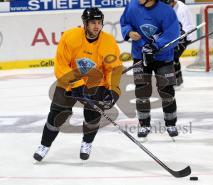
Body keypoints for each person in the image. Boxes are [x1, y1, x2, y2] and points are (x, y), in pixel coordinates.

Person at [33, 7, 123, 161]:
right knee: (57, 114)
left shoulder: (108, 41)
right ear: (85, 23)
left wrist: (113, 90)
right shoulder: (70, 37)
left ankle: (87, 143)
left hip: (96, 82)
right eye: (93, 22)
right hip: (70, 80)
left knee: (93, 117)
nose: (96, 26)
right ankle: (44, 145)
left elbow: (113, 69)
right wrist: (76, 84)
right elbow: (61, 65)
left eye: (99, 22)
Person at [120, 0, 180, 139]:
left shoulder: (166, 11)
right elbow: (124, 22)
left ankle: (171, 123)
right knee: (142, 92)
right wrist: (129, 32)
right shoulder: (132, 6)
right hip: (140, 55)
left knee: (167, 91)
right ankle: (144, 124)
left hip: (163, 57)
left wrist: (155, 46)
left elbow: (172, 33)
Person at [161, 0, 194, 87]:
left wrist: (183, 33)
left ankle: (171, 80)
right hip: (171, 37)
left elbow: (189, 27)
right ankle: (177, 79)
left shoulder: (183, 9)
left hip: (184, 38)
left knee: (171, 55)